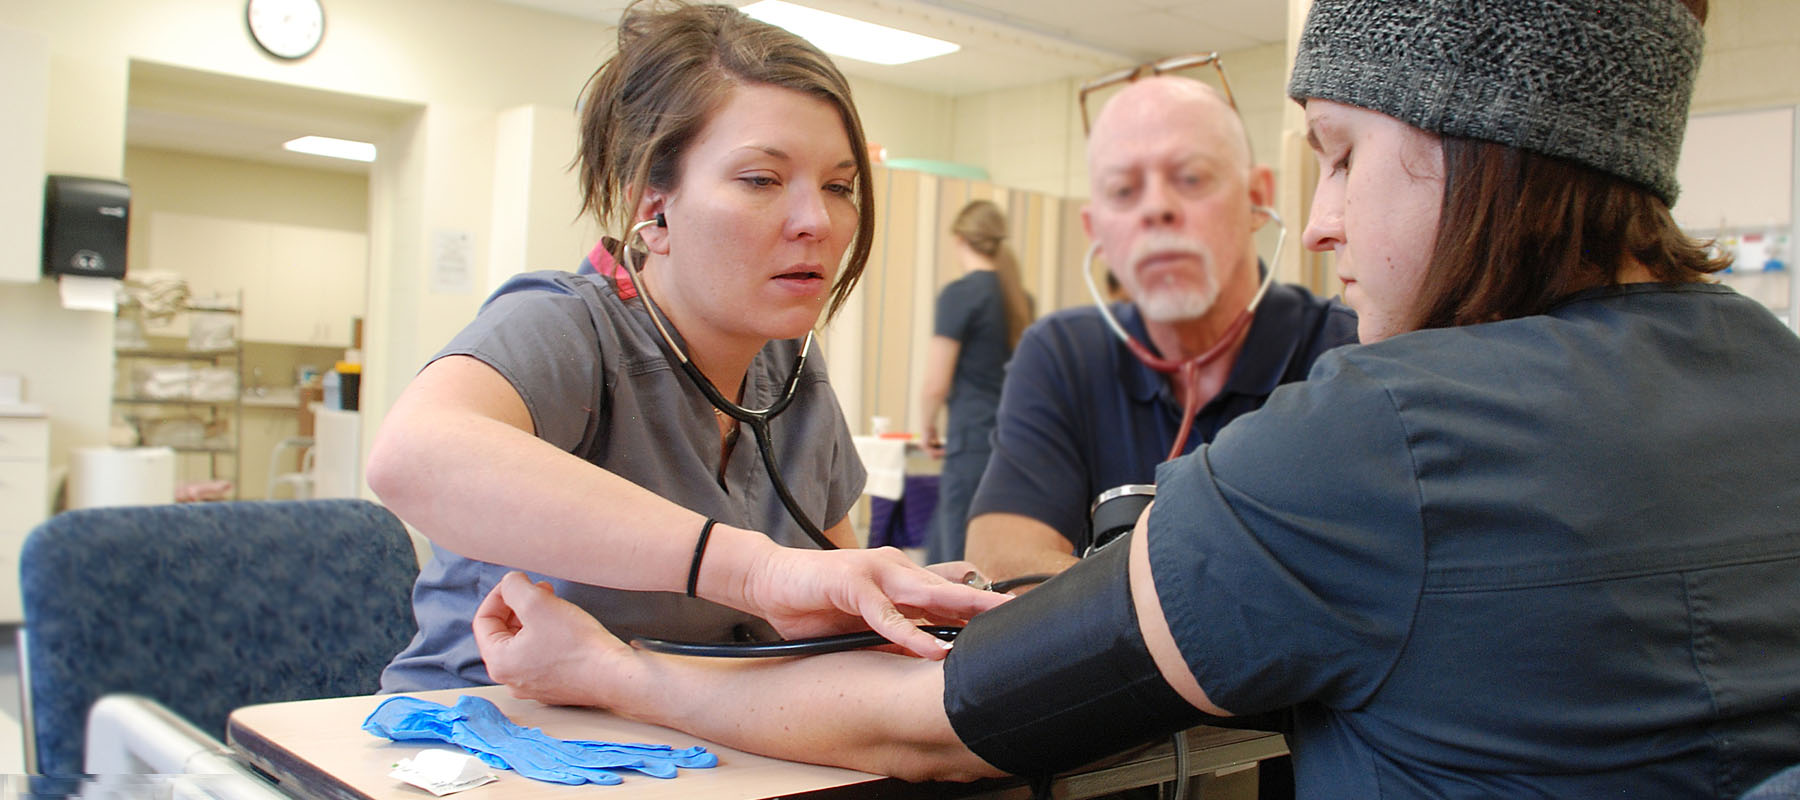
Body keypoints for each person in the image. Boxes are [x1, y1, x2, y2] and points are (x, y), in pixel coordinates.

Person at [471, 0, 1800, 796]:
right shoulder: (1771, 374)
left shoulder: (1382, 429)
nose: (1327, 218)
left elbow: (938, 725)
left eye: (1341, 156)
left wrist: (617, 671)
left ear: (1471, 144)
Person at [367, 0, 1003, 692]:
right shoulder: (567, 328)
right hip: (484, 748)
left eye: (839, 186)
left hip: (695, 753)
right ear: (652, 206)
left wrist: (904, 604)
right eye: (761, 179)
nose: (816, 221)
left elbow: (829, 591)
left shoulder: (790, 367)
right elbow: (410, 458)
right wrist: (753, 571)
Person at [962, 72, 1356, 585]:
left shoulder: (1348, 353)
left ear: (1258, 198)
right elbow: (1002, 562)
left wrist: (1095, 598)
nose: (1156, 209)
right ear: (1095, 230)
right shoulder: (1062, 353)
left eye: (1190, 178)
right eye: (1123, 191)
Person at [917, 200, 1033, 564]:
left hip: (971, 442)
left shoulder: (960, 295)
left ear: (959, 240)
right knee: (994, 551)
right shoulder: (1021, 298)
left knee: (956, 556)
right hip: (1012, 442)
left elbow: (937, 380)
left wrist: (926, 427)